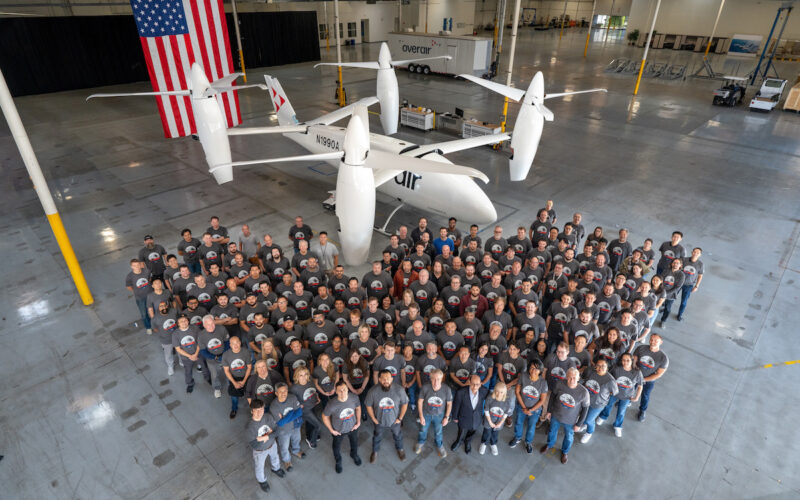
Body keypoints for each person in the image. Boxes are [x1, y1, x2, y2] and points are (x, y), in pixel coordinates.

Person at [540, 367, 590, 464]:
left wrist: (579, 424)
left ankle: (565, 452)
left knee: (569, 437)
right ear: (566, 377)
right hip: (556, 415)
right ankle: (549, 444)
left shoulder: (584, 392)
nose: (572, 380)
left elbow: (585, 409)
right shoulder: (559, 384)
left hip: (571, 420)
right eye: (570, 377)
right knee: (552, 431)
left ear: (578, 378)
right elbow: (552, 396)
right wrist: (549, 411)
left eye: (574, 378)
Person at [365, 369, 409, 463]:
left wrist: (400, 418)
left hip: (395, 421)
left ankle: (400, 449)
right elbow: (368, 405)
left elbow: (405, 403)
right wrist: (373, 418)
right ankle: (375, 451)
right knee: (377, 436)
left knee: (398, 436)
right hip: (379, 421)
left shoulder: (399, 390)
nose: (386, 381)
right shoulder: (372, 391)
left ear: (392, 379)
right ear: (379, 379)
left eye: (388, 378)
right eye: (383, 379)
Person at [597, 353, 643, 437]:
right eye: (623, 360)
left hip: (626, 396)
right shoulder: (616, 368)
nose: (625, 362)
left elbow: (640, 386)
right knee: (608, 405)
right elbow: (609, 377)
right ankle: (603, 416)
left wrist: (637, 397)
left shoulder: (637, 372)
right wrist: (608, 390)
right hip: (614, 393)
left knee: (621, 411)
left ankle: (617, 426)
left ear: (632, 361)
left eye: (628, 360)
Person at [322, 381, 363, 473]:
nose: (342, 392)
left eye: (344, 389)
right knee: (336, 447)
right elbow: (325, 416)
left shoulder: (354, 398)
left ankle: (354, 455)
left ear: (347, 389)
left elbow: (358, 408)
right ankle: (338, 460)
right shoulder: (332, 404)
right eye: (340, 390)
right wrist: (331, 430)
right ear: (336, 392)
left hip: (353, 427)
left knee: (354, 442)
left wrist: (358, 422)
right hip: (338, 431)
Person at [246, 399, 285, 493]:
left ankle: (276, 469)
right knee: (259, 467)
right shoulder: (249, 427)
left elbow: (278, 431)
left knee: (275, 457)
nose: (260, 412)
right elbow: (254, 444)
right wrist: (270, 433)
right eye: (257, 410)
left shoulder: (268, 417)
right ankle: (262, 481)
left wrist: (264, 437)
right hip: (260, 452)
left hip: (272, 445)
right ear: (252, 411)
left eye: (262, 409)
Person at [510, 359, 548, 453]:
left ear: (540, 371)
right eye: (532, 368)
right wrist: (524, 408)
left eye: (536, 369)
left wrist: (530, 410)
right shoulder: (523, 376)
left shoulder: (543, 383)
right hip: (521, 407)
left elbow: (542, 400)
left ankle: (528, 442)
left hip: (535, 410)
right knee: (518, 423)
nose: (533, 370)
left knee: (531, 427)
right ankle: (517, 437)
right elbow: (517, 392)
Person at [579, 358, 618, 443]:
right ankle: (584, 425)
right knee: (584, 416)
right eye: (598, 365)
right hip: (586, 401)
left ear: (607, 367)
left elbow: (614, 392)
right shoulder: (591, 373)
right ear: (595, 366)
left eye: (603, 366)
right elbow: (585, 383)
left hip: (597, 404)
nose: (600, 368)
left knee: (589, 420)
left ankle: (589, 432)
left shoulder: (610, 380)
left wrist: (603, 396)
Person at [416, 369, 453, 458]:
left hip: (439, 415)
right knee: (423, 430)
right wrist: (421, 416)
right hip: (426, 414)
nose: (436, 382)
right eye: (434, 379)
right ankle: (421, 442)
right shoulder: (425, 388)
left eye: (438, 379)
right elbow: (420, 402)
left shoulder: (447, 389)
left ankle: (439, 445)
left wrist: (446, 417)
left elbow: (449, 404)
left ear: (442, 379)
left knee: (438, 432)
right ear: (430, 378)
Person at [269, 382, 304, 471]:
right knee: (284, 446)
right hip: (283, 430)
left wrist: (285, 418)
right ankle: (287, 461)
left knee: (297, 439)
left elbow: (299, 412)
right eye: (280, 392)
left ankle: (296, 451)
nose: (283, 393)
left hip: (295, 425)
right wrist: (292, 413)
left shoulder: (292, 398)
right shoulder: (273, 406)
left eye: (285, 391)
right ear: (276, 393)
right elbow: (280, 423)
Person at [634, 333, 669, 422]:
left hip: (648, 380)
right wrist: (635, 372)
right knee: (630, 389)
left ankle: (642, 410)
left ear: (661, 342)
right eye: (651, 339)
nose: (653, 342)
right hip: (635, 376)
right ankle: (626, 401)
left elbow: (658, 374)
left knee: (645, 395)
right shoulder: (640, 348)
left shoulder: (663, 358)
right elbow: (634, 360)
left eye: (656, 340)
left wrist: (643, 380)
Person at [450, 374, 489, 454]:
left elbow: (491, 399)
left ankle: (468, 442)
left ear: (480, 384)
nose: (475, 387)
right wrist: (455, 417)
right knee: (461, 431)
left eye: (477, 384)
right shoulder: (461, 392)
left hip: (477, 418)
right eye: (473, 384)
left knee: (472, 432)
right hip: (463, 417)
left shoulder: (484, 391)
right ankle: (459, 441)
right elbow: (456, 405)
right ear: (469, 382)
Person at [290, 367, 323, 449]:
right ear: (297, 376)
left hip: (313, 405)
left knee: (311, 423)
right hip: (305, 410)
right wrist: (298, 406)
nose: (303, 377)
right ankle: (312, 441)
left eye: (305, 374)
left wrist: (317, 397)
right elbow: (291, 401)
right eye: (301, 375)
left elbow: (314, 391)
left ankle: (310, 435)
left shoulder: (310, 382)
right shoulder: (294, 388)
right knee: (318, 425)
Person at [479, 382, 514, 456]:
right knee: (486, 432)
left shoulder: (507, 400)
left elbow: (506, 413)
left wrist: (500, 423)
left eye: (501, 392)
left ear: (505, 392)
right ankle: (484, 443)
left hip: (499, 421)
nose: (499, 394)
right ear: (495, 390)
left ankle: (493, 443)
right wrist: (490, 422)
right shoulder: (490, 398)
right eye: (497, 391)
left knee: (495, 433)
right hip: (489, 420)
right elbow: (486, 410)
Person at [198, 315, 229, 398]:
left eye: (212, 323)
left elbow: (227, 342)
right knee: (214, 375)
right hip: (212, 359)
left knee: (229, 371)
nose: (211, 326)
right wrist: (214, 357)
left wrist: (224, 354)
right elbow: (203, 351)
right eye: (208, 324)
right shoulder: (201, 335)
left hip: (224, 356)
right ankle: (217, 388)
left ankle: (231, 384)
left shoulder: (222, 328)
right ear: (204, 325)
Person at [222, 336, 252, 419]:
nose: (235, 345)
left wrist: (244, 381)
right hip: (233, 378)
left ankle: (253, 409)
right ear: (230, 345)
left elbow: (249, 367)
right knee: (234, 396)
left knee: (250, 394)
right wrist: (234, 383)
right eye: (233, 343)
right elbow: (226, 371)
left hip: (245, 376)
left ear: (240, 343)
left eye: (237, 342)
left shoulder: (246, 352)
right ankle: (234, 409)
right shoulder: (226, 355)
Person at [172, 314, 200, 393]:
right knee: (188, 371)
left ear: (188, 321)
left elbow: (200, 341)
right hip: (186, 357)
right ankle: (190, 384)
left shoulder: (195, 328)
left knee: (205, 366)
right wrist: (190, 356)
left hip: (198, 352)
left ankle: (208, 379)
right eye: (181, 321)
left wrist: (196, 354)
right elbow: (178, 349)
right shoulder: (175, 334)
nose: (184, 322)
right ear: (178, 324)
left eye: (185, 320)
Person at [125, 258, 153, 334]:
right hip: (140, 298)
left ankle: (156, 324)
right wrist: (136, 291)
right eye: (134, 265)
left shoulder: (146, 271)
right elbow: (128, 287)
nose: (137, 267)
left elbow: (149, 279)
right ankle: (148, 327)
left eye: (138, 265)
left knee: (155, 310)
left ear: (140, 265)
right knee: (144, 314)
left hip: (151, 295)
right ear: (131, 267)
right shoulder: (129, 276)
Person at [677, 247, 704, 321]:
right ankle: (665, 308)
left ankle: (680, 315)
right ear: (692, 252)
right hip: (679, 282)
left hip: (689, 285)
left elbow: (700, 276)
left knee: (684, 302)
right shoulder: (684, 260)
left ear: (700, 255)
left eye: (698, 253)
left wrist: (696, 286)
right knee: (671, 297)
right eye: (694, 252)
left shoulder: (700, 264)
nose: (695, 254)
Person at [658, 257, 685, 328]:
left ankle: (663, 320)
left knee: (667, 309)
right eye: (674, 263)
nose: (675, 264)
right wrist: (661, 290)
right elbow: (661, 280)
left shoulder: (681, 275)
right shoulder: (666, 270)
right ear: (672, 264)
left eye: (677, 263)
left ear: (680, 265)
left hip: (671, 295)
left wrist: (666, 293)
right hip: (661, 292)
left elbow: (677, 287)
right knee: (658, 304)